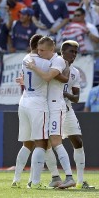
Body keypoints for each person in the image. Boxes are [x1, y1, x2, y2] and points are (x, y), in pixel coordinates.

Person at [44, 40, 95, 189]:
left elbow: (77, 97)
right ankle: (55, 177)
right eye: (71, 51)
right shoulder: (53, 65)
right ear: (62, 52)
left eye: (76, 52)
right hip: (51, 108)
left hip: (66, 107)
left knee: (78, 142)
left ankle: (80, 181)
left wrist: (64, 93)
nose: (74, 55)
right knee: (46, 144)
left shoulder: (75, 72)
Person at [25, 36, 75, 189]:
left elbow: (47, 77)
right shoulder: (48, 61)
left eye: (42, 50)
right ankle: (55, 177)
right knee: (45, 144)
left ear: (51, 50)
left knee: (55, 141)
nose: (39, 53)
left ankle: (69, 177)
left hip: (55, 107)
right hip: (47, 107)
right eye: (38, 50)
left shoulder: (58, 61)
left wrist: (33, 67)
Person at [11, 34, 50, 189]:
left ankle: (16, 179)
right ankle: (35, 182)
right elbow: (52, 77)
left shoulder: (25, 58)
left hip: (24, 101)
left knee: (27, 143)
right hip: (38, 103)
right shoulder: (45, 62)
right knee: (41, 143)